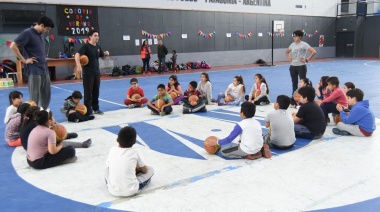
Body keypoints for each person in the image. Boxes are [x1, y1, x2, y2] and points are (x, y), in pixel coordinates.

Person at [9, 16, 54, 109]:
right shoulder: (27, 33)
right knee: (35, 98)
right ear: (41, 25)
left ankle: (43, 115)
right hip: (34, 70)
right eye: (47, 29)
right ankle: (34, 118)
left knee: (46, 96)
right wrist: (24, 60)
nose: (47, 31)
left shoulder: (41, 34)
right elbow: (13, 46)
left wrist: (43, 58)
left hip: (44, 69)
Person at [206, 102, 272, 160]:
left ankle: (247, 155)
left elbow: (229, 139)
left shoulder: (240, 125)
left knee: (224, 151)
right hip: (258, 146)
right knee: (243, 144)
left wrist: (217, 142)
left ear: (242, 113)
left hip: (248, 149)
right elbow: (260, 135)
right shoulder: (257, 122)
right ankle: (258, 151)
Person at [105, 126, 154, 197]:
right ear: (134, 142)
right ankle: (133, 181)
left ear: (117, 139)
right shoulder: (135, 151)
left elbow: (109, 167)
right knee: (150, 169)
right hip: (131, 190)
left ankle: (116, 182)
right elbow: (145, 171)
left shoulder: (112, 149)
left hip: (112, 190)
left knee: (106, 170)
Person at [75, 29, 110, 116]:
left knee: (96, 91)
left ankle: (95, 108)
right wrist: (78, 65)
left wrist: (106, 54)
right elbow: (77, 55)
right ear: (90, 37)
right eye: (95, 35)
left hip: (96, 72)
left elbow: (102, 57)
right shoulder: (86, 46)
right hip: (88, 72)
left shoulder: (98, 47)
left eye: (98, 35)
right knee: (88, 92)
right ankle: (88, 110)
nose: (97, 37)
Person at [21, 108, 92, 151]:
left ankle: (77, 142)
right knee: (69, 150)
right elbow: (53, 151)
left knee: (58, 139)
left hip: (31, 150)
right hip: (35, 153)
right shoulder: (43, 129)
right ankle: (81, 144)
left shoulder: (33, 124)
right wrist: (61, 145)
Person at [285, 30, 317, 96]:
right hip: (293, 66)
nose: (294, 37)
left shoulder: (304, 44)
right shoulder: (292, 45)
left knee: (303, 83)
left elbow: (313, 51)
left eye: (295, 36)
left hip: (301, 66)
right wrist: (289, 58)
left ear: (300, 37)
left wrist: (306, 59)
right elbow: (287, 52)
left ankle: (304, 96)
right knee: (294, 83)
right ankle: (294, 97)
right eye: (293, 36)